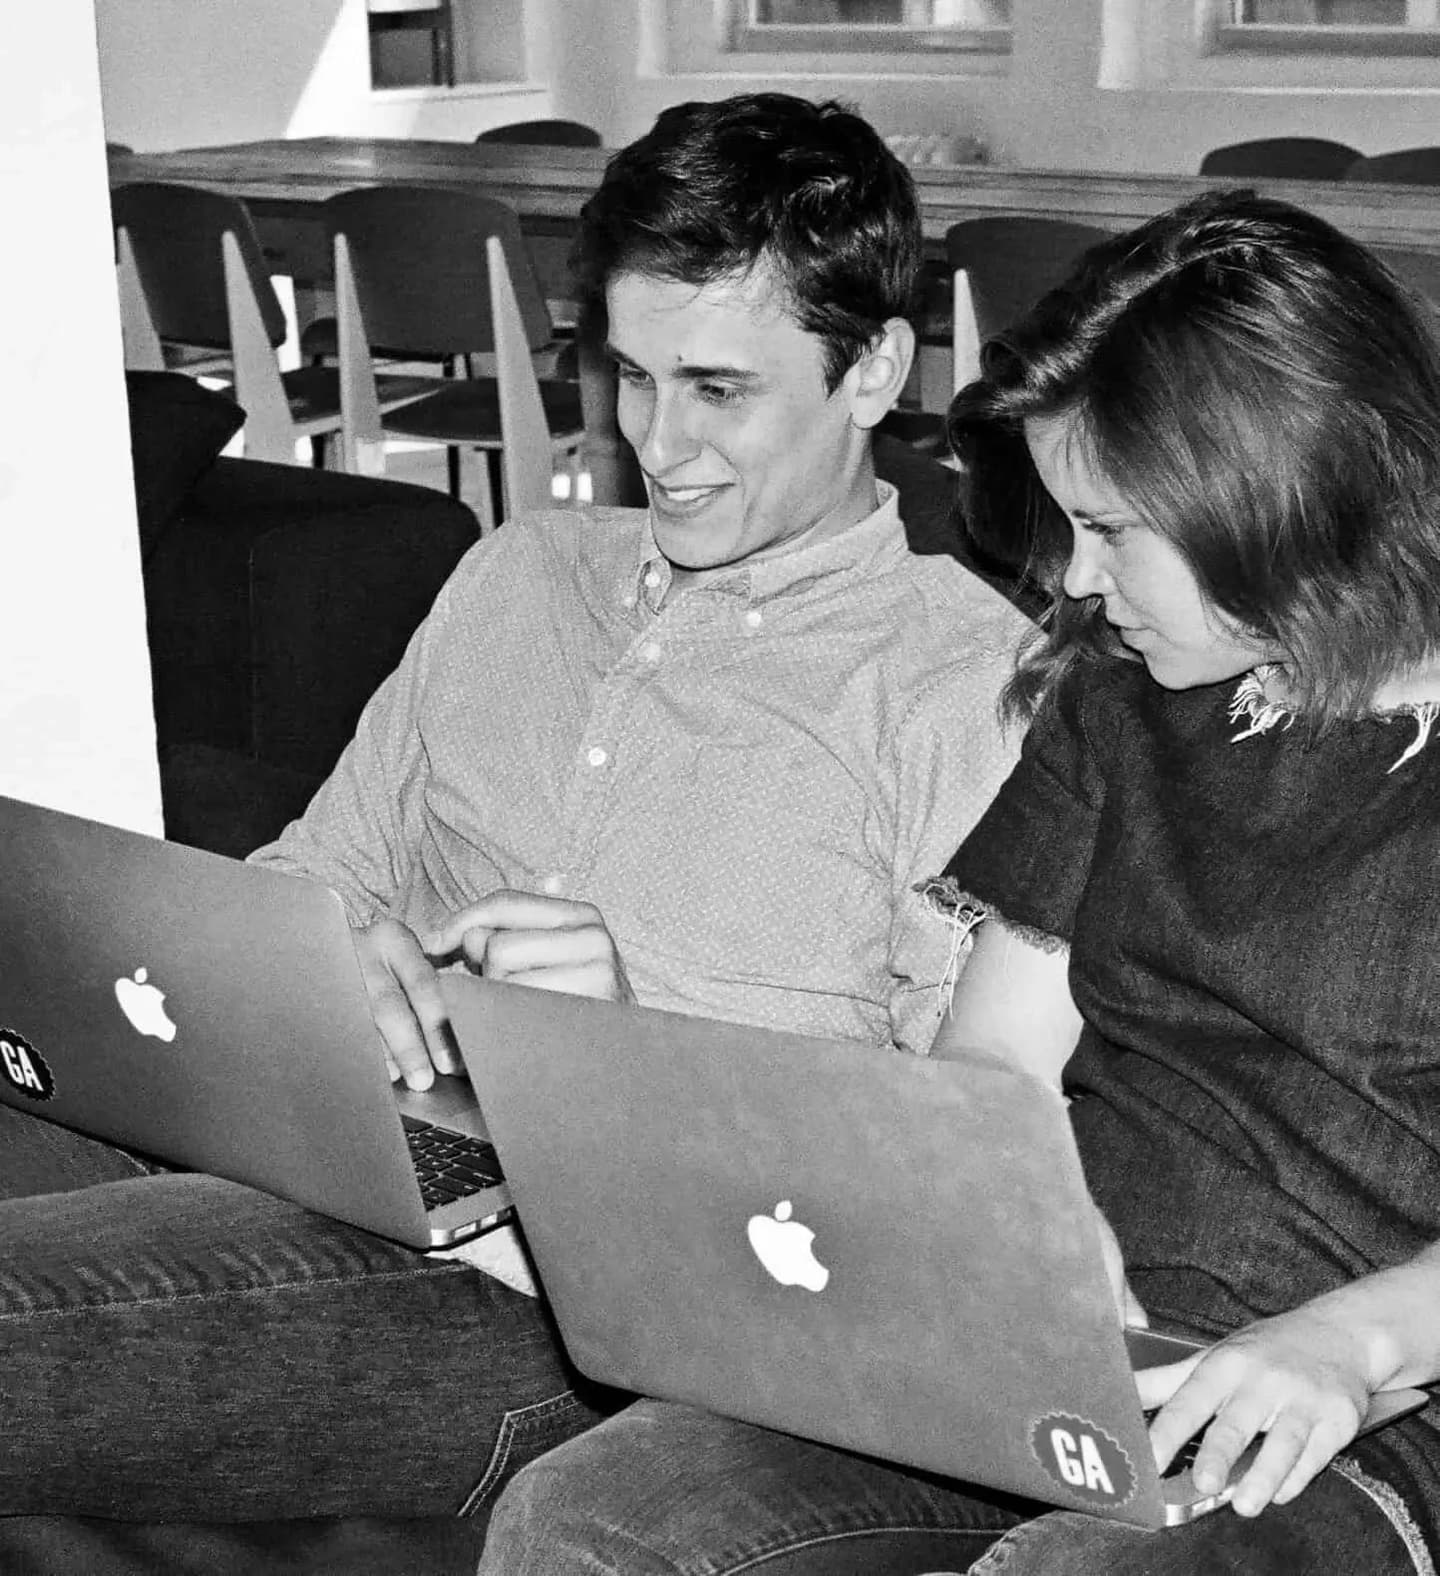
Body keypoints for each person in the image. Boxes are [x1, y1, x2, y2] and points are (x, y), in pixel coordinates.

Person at [0, 91, 1030, 1556]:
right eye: (629, 374)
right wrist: (328, 960)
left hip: (569, 1301)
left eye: (719, 391)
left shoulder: (964, 690)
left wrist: (628, 1055)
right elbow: (317, 869)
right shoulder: (519, 575)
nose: (658, 441)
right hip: (333, 1139)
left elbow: (952, 1178)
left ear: (874, 370)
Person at [474, 190, 1440, 1575]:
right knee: (599, 1520)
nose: (1079, 581)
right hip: (1067, 1354)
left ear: (1278, 501)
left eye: (1113, 531)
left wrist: (1350, 1343)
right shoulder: (1123, 695)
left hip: (1356, 1407)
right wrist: (1028, 1238)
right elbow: (994, 1055)